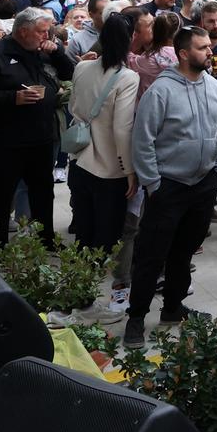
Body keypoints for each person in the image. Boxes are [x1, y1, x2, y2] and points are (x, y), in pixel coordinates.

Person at [124, 27, 217, 349]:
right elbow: (143, 141)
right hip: (168, 187)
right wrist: (154, 184)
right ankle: (136, 317)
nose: (210, 52)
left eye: (209, 46)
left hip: (202, 186)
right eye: (202, 48)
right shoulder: (160, 91)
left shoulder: (214, 86)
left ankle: (172, 307)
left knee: (184, 252)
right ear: (183, 54)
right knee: (151, 256)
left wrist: (216, 168)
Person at [0, 7, 75, 245]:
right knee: (0, 196)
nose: (46, 36)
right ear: (24, 31)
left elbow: (69, 73)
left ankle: (46, 241)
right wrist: (12, 98)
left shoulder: (43, 51)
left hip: (41, 137)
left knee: (43, 192)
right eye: (42, 31)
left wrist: (57, 52)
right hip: (5, 140)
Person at [68, 14, 140, 258]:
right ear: (131, 38)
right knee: (106, 239)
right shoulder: (128, 77)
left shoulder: (81, 67)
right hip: (110, 170)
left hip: (79, 160)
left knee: (83, 233)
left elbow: (72, 107)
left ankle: (81, 278)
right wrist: (130, 170)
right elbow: (122, 127)